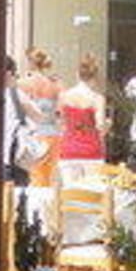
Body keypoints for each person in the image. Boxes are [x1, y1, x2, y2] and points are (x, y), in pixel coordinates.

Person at [55, 52, 107, 187]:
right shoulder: (97, 99)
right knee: (93, 192)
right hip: (91, 150)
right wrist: (108, 125)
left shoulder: (64, 96)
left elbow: (61, 123)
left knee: (70, 192)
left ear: (77, 74)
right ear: (95, 76)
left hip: (69, 149)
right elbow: (100, 126)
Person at [17, 47, 62, 188]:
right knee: (48, 178)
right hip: (52, 135)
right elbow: (60, 113)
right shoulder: (55, 85)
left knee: (32, 178)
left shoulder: (23, 84)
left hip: (32, 135)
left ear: (30, 63)